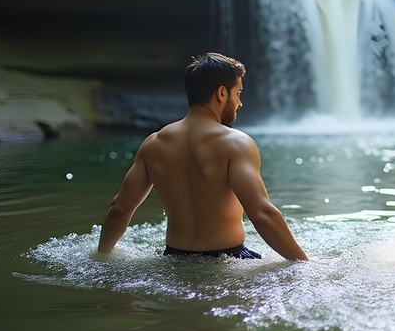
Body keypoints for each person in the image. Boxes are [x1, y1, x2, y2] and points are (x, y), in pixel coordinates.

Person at [97, 52, 308, 261]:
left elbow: (120, 209)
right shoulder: (236, 143)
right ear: (222, 93)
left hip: (174, 260)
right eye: (238, 94)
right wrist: (304, 262)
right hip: (228, 263)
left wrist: (102, 255)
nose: (240, 103)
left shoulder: (154, 143)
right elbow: (261, 213)